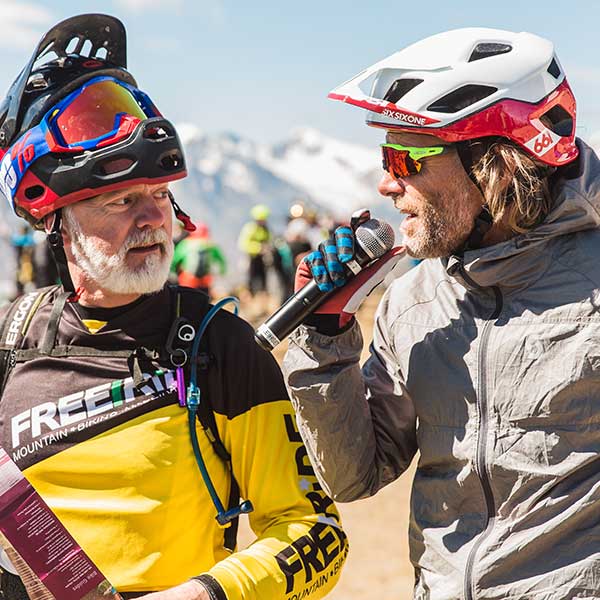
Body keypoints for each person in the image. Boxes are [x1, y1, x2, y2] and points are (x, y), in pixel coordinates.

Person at [0, 14, 346, 600]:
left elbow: (314, 534)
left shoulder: (221, 345)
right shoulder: (15, 336)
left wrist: (202, 596)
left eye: (160, 195)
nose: (153, 220)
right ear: (55, 220)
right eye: (120, 200)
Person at [283, 27, 600, 599]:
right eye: (386, 155)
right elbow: (355, 474)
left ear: (496, 163)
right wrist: (325, 337)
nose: (386, 182)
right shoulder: (414, 297)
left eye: (407, 157)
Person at [171, 221, 227, 296]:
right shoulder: (211, 245)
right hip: (206, 279)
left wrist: (174, 272)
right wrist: (222, 272)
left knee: (187, 297)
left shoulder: (186, 244)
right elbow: (222, 261)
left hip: (188, 278)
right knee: (204, 298)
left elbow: (175, 259)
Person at [237, 204, 272, 296]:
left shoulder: (265, 229)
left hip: (263, 259)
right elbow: (243, 244)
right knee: (251, 280)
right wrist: (259, 248)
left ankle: (262, 297)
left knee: (263, 280)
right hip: (251, 258)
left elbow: (269, 240)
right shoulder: (250, 228)